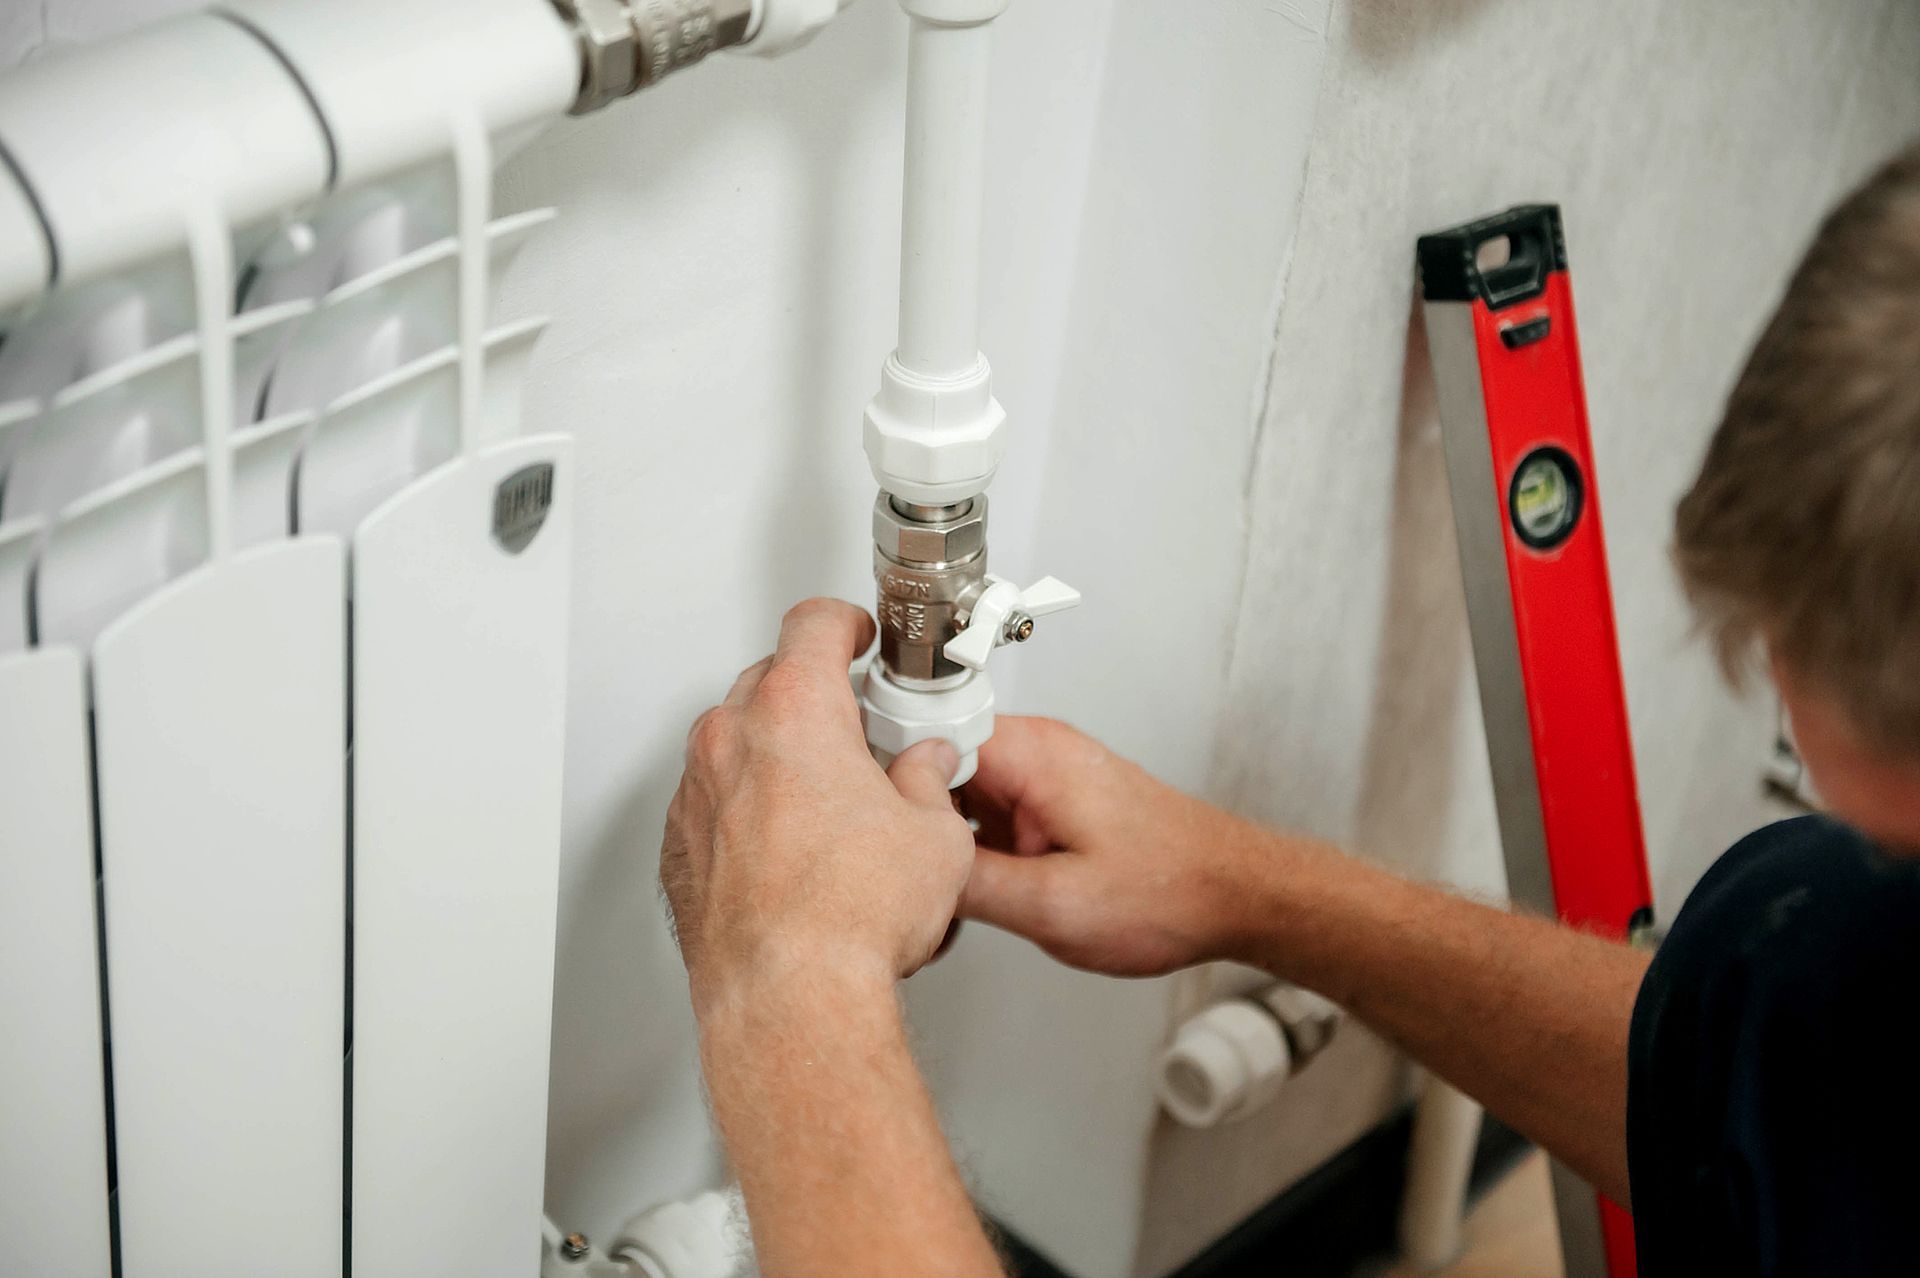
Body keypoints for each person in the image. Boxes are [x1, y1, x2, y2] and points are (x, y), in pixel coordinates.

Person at [658, 143, 1920, 1277]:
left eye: (1889, 840)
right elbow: (1755, 1087)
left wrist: (792, 986)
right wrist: (1232, 887)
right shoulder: (1859, 948)